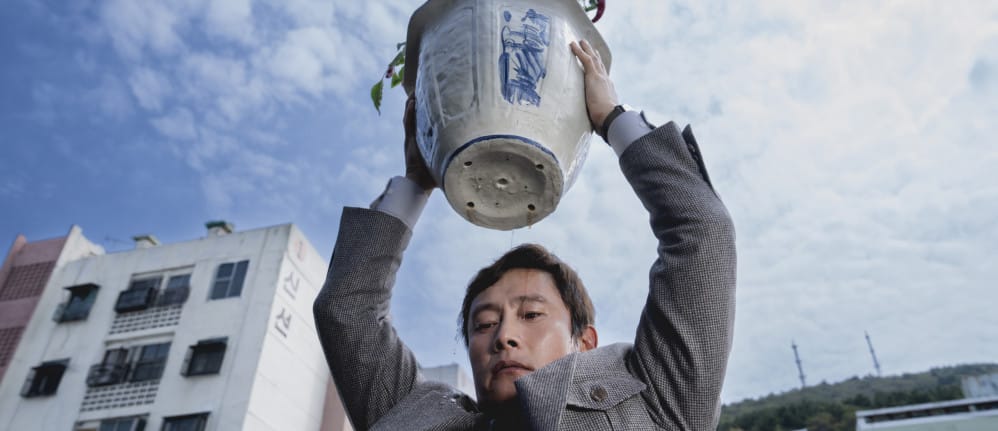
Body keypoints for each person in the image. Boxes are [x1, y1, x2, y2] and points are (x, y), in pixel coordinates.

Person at [313, 40, 736, 430]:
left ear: (584, 342)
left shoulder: (660, 398)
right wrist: (417, 180)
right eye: (483, 324)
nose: (503, 337)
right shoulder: (412, 416)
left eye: (531, 314)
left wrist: (611, 117)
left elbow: (701, 231)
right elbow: (347, 311)